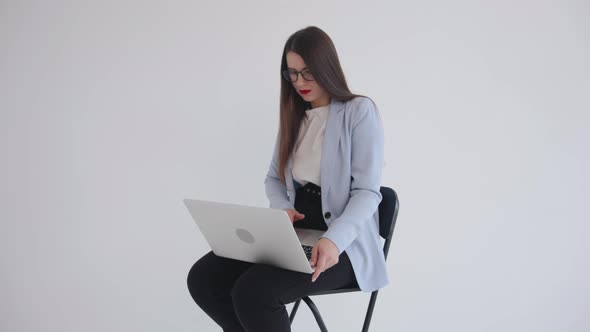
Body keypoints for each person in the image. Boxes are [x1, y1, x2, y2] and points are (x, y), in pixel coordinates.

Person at [187, 26, 388, 332]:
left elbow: (368, 192)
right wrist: (282, 208)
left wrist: (333, 239)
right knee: (204, 279)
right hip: (295, 237)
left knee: (254, 293)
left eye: (307, 72)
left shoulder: (358, 111)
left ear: (326, 67)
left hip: (344, 246)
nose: (299, 83)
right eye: (291, 74)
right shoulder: (295, 117)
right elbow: (274, 179)